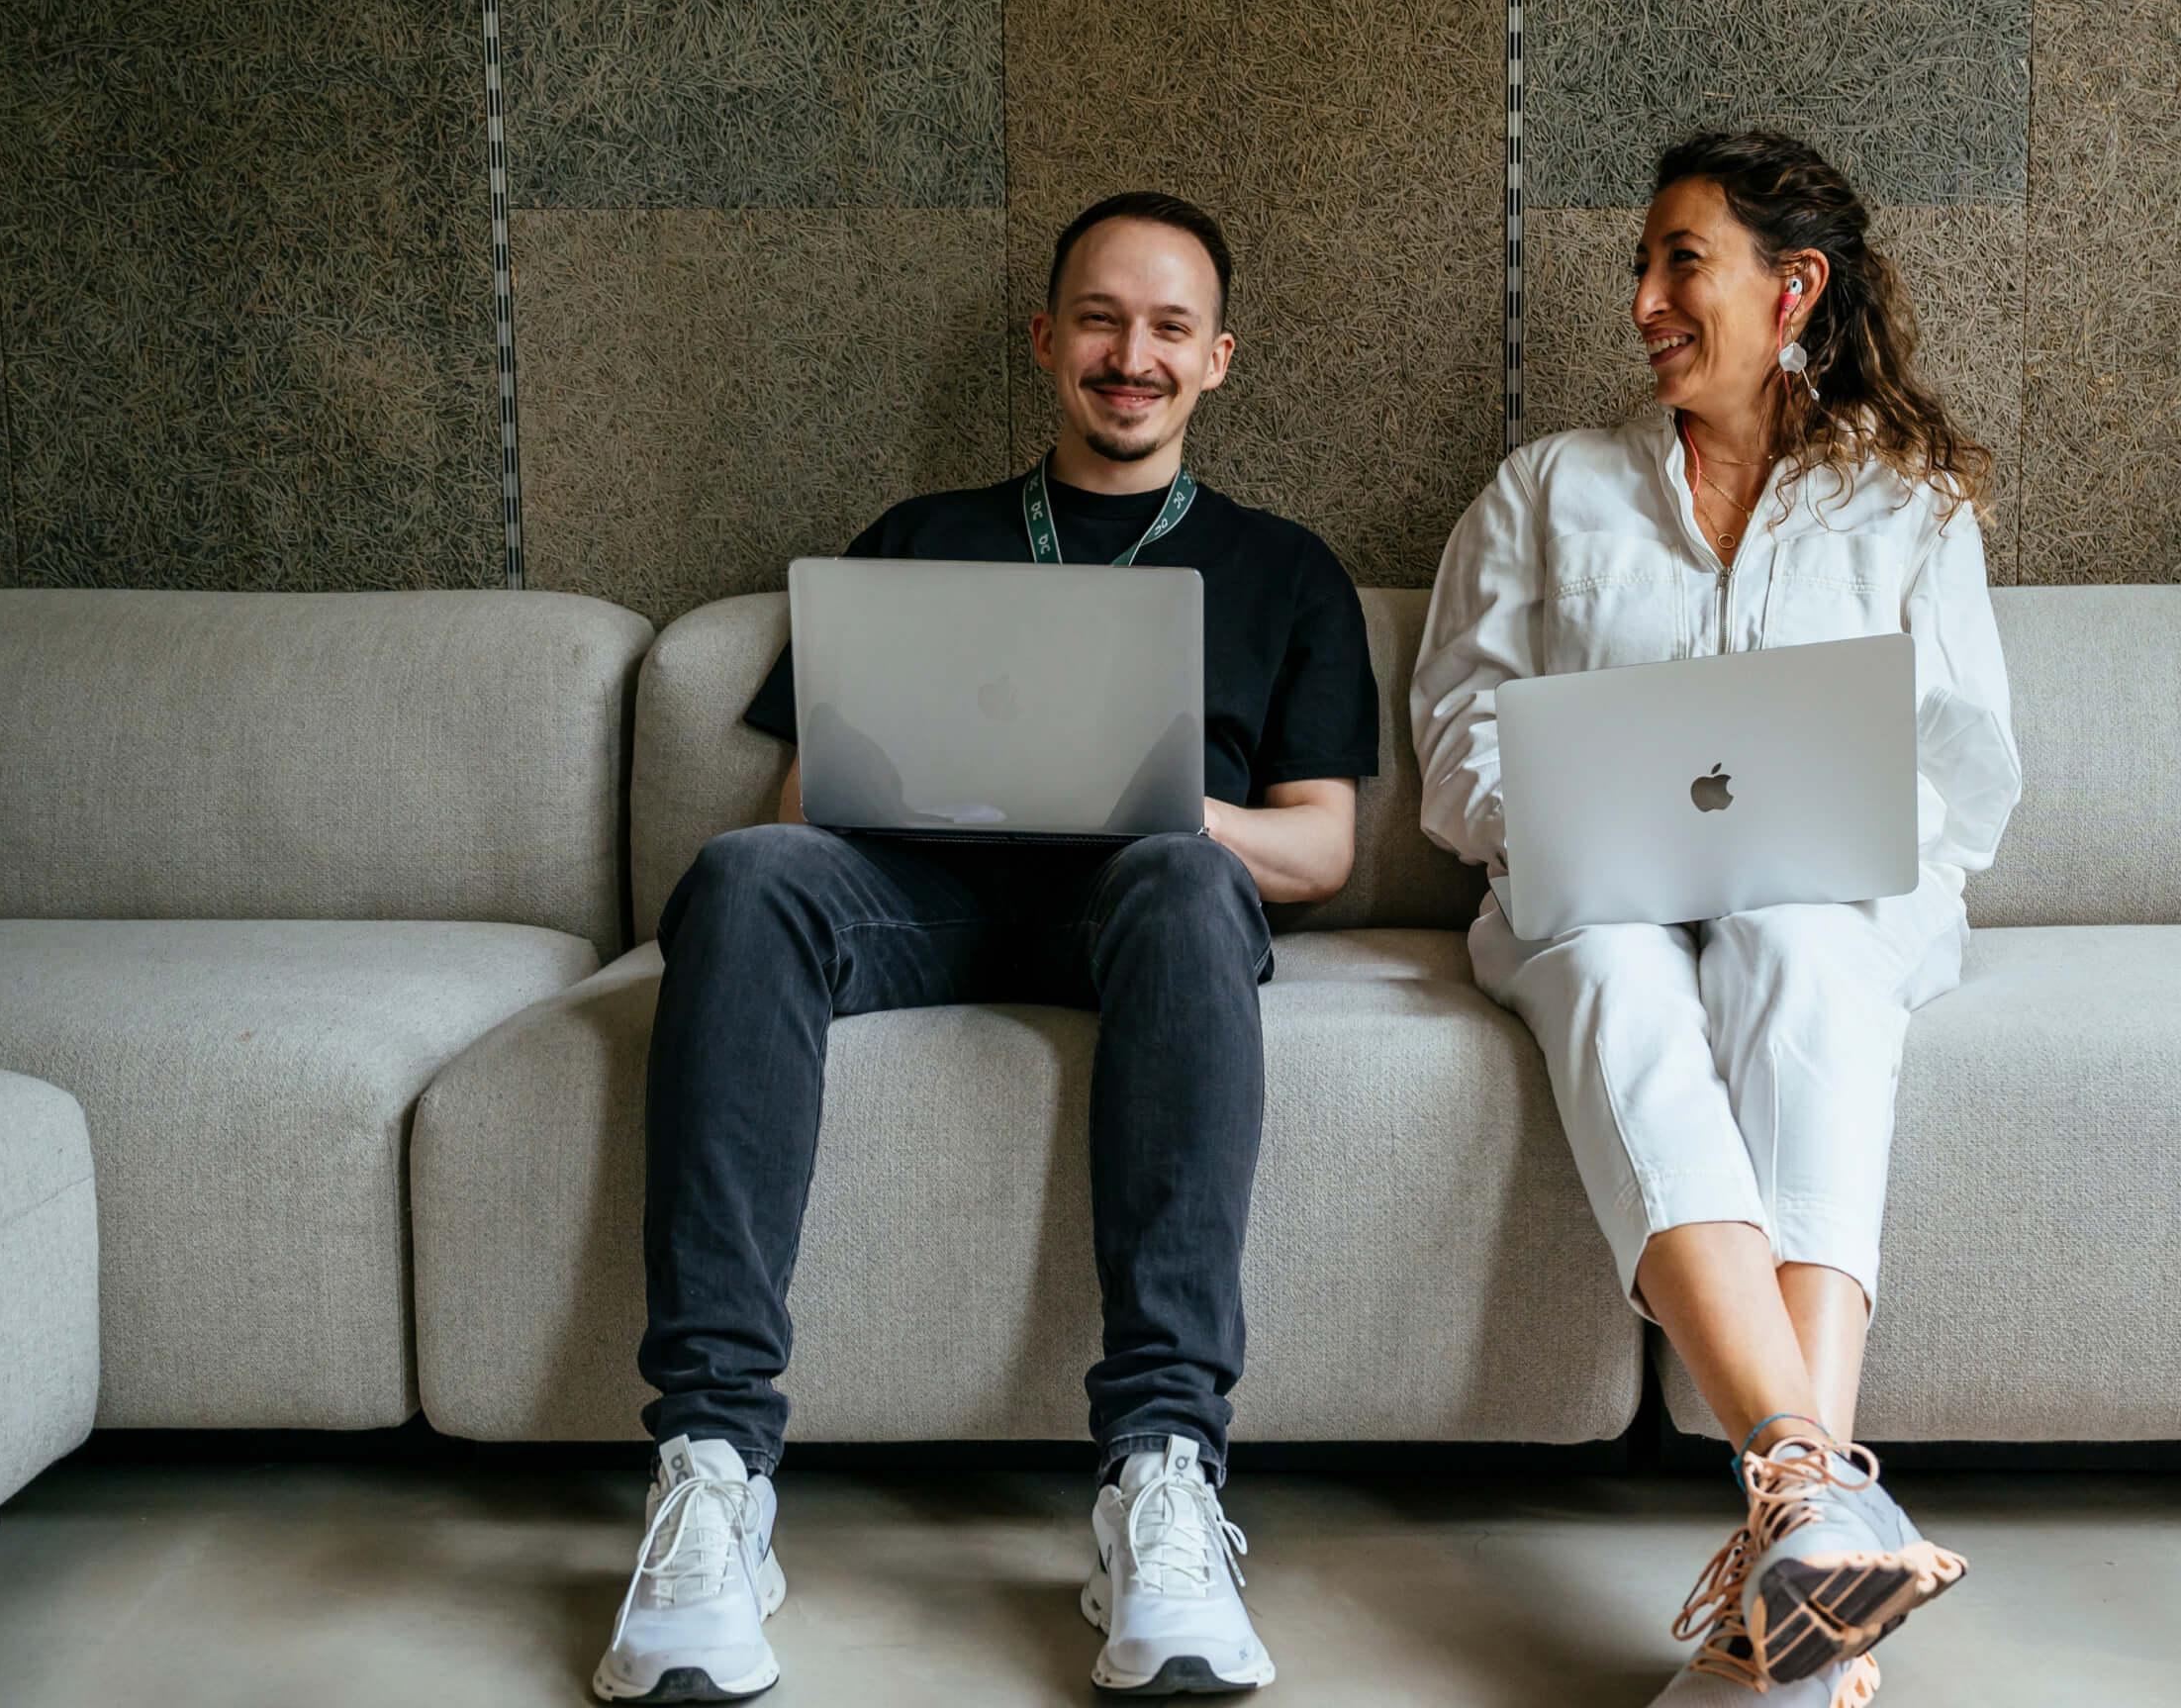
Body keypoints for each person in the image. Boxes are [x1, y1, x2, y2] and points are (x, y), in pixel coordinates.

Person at [595, 191, 1379, 1704]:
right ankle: (711, 1475)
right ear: (1046, 341)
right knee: (747, 877)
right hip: (926, 900)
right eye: (1099, 319)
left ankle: (1161, 1475)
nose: (1129, 355)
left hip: (1146, 917)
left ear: (1220, 357)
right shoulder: (919, 539)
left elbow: (1323, 850)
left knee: (1183, 876)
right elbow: (800, 807)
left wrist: (1173, 814)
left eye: (1167, 328)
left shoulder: (1285, 570)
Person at [1411, 130, 2023, 1707]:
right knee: (1616, 974)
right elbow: (1458, 738)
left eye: (1682, 260)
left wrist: (1847, 837)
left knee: (1808, 949)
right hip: (1590, 898)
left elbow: (1967, 772)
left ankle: (1793, 1535)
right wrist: (1553, 814)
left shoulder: (1909, 509)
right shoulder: (1547, 490)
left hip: (1829, 899)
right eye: (1647, 262)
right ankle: (1815, 1504)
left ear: (1790, 286)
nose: (1643, 299)